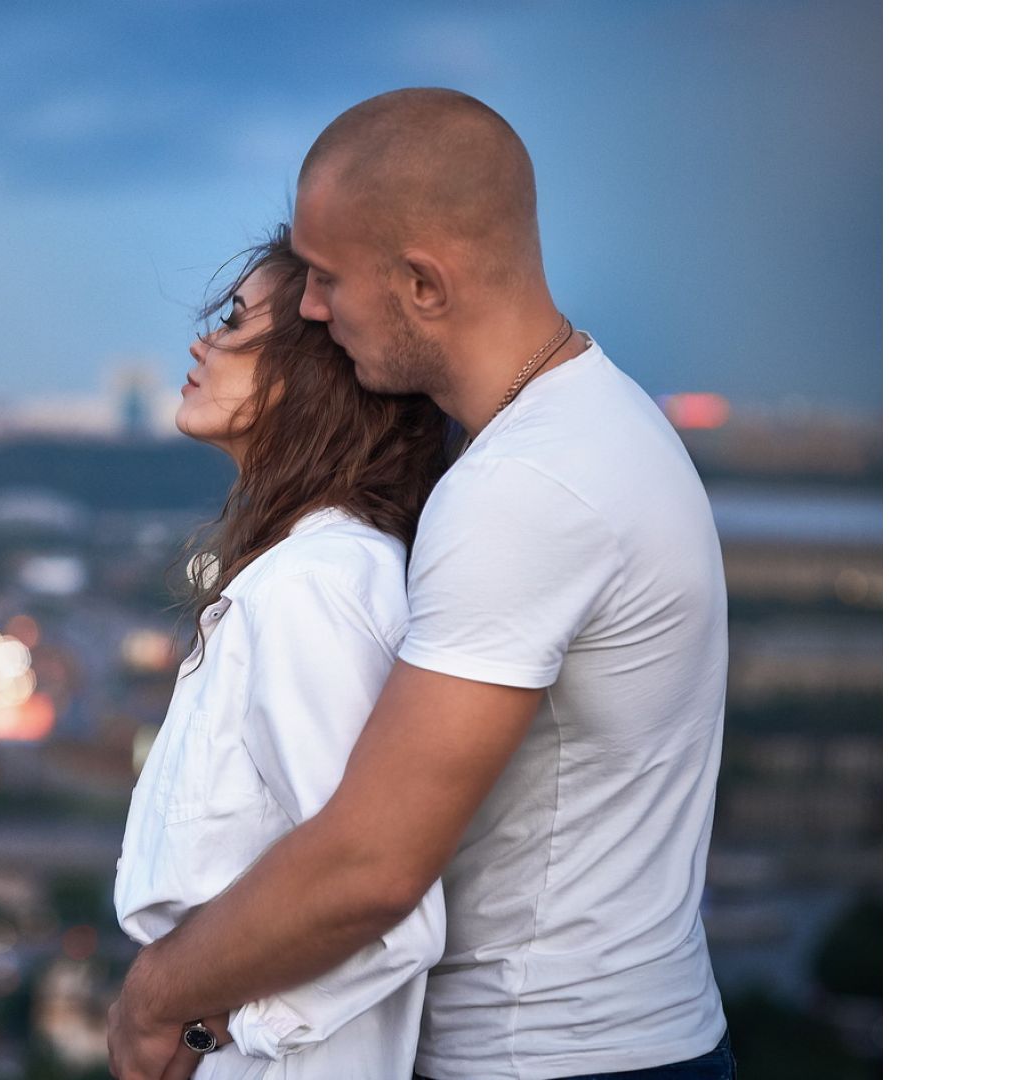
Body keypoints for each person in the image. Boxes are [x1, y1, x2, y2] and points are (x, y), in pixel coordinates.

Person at [108, 88, 734, 1080]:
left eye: (325, 279)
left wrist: (159, 1000)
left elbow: (371, 870)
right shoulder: (591, 426)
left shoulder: (524, 487)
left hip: (549, 1059)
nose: (312, 310)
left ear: (423, 285)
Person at [114, 226, 454, 1078]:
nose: (201, 341)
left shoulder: (316, 587)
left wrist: (186, 1028)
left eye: (234, 320)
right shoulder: (309, 572)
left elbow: (378, 899)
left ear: (318, 371)